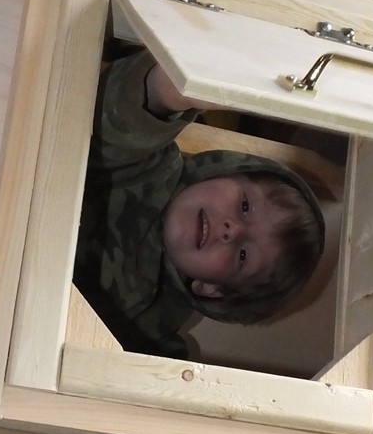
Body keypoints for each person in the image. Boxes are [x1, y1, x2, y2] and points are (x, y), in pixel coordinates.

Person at [74, 47, 326, 358]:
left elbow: (155, 369)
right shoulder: (151, 166)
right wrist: (169, 92)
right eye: (245, 207)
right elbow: (120, 123)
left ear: (211, 288)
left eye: (243, 255)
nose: (232, 229)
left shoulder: (147, 321)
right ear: (227, 172)